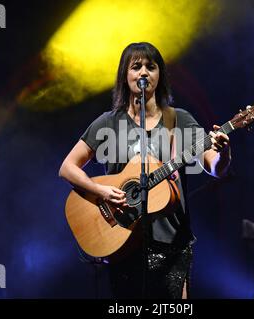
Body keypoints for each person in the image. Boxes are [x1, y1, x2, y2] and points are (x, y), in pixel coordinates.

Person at [59, 42, 231, 299]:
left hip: (173, 242)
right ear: (124, 75)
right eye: (136, 66)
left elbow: (214, 167)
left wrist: (224, 152)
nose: (143, 73)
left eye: (151, 67)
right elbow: (67, 168)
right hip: (122, 239)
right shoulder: (108, 122)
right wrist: (101, 191)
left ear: (159, 75)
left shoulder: (179, 120)